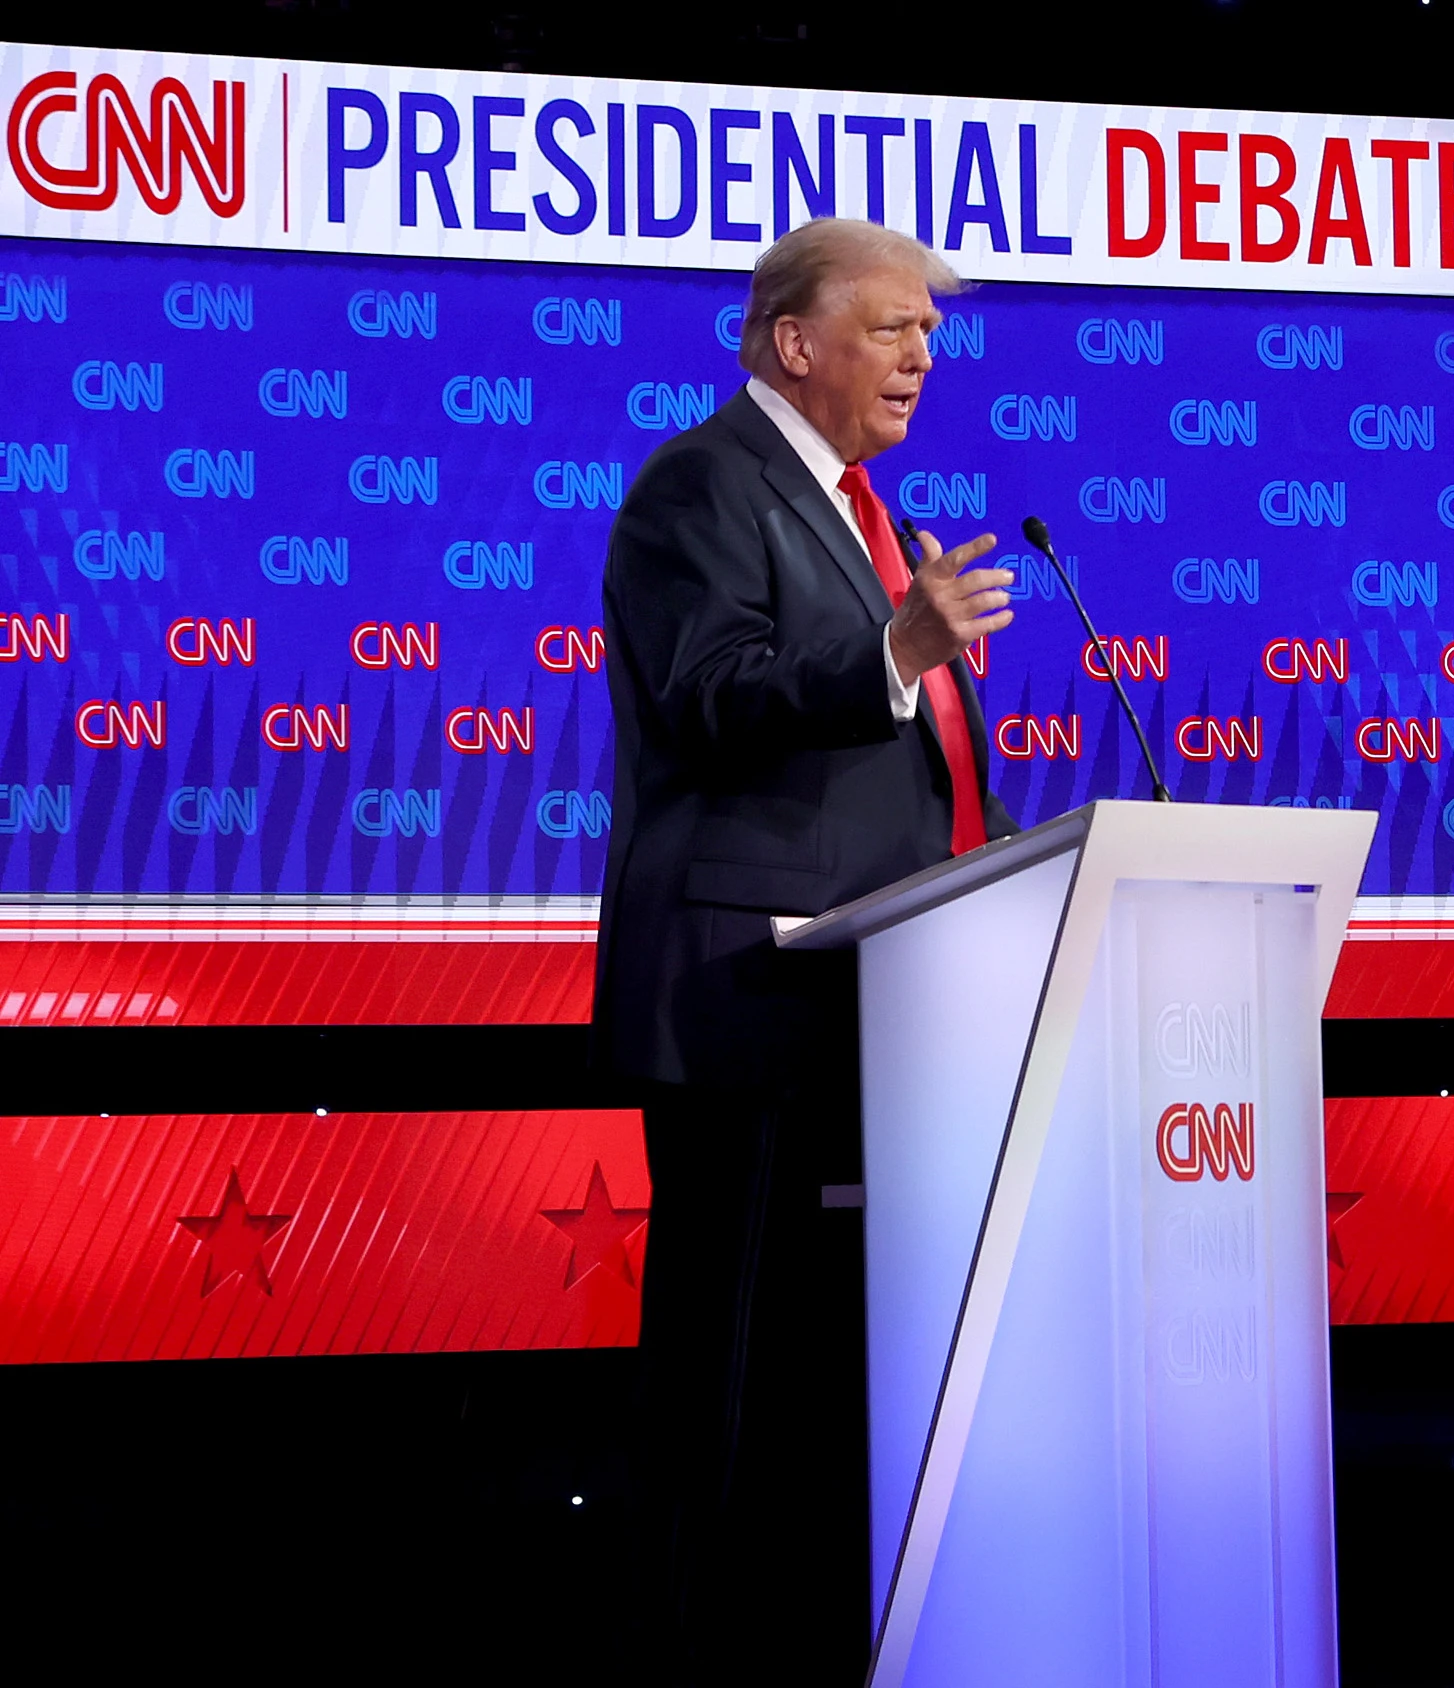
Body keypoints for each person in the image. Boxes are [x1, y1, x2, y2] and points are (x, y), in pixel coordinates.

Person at [591, 216, 1019, 1682]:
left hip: (873, 1010)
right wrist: (895, 653)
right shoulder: (702, 485)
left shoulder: (859, 512)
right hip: (747, 1006)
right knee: (723, 1379)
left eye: (929, 330)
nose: (923, 353)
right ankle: (685, 1661)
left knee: (825, 1390)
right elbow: (710, 696)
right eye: (892, 325)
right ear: (794, 342)